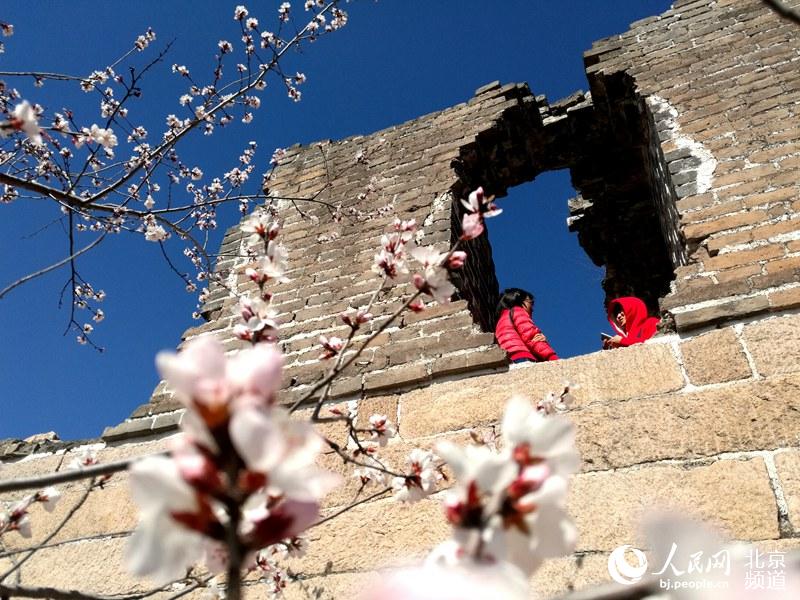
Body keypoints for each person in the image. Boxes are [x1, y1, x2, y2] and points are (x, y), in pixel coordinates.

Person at [494, 288, 559, 363]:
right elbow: (532, 338)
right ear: (518, 299)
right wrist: (553, 358)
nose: (532, 308)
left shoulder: (501, 321)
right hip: (522, 358)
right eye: (530, 302)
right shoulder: (518, 311)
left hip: (510, 360)